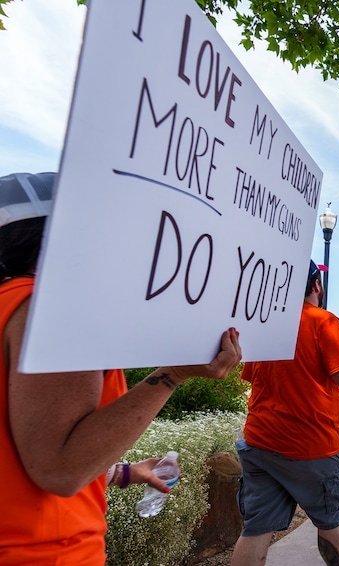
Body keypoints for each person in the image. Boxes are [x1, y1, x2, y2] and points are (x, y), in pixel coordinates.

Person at [0, 172, 243, 565]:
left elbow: (26, 447)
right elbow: (60, 469)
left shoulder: (13, 305)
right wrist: (174, 374)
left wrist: (124, 473)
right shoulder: (53, 310)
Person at [231, 260, 339, 566]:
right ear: (316, 285)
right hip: (311, 447)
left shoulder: (266, 322)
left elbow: (249, 378)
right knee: (330, 522)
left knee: (255, 528)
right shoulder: (323, 321)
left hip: (259, 441)